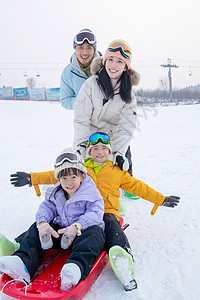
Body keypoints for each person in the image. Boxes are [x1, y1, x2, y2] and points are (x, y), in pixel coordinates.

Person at [1, 133, 180, 291]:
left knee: (110, 227)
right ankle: (19, 249)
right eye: (95, 149)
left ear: (110, 152)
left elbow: (139, 187)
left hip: (105, 211)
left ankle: (121, 257)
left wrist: (160, 199)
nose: (100, 152)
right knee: (46, 224)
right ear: (89, 152)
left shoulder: (117, 172)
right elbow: (53, 175)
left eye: (104, 148)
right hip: (75, 212)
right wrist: (31, 178)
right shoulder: (79, 168)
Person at [0, 148, 105, 292]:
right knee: (35, 228)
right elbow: (47, 208)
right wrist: (42, 224)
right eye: (64, 178)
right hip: (61, 234)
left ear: (82, 176)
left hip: (82, 233)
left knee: (95, 234)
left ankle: (74, 269)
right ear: (59, 179)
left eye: (73, 177)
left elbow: (96, 213)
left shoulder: (91, 192)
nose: (69, 182)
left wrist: (77, 226)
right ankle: (23, 263)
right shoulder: (55, 192)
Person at [73, 39, 140, 177]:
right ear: (105, 61)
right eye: (111, 59)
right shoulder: (91, 84)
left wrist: (119, 153)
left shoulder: (128, 94)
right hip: (89, 140)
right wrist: (81, 144)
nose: (113, 65)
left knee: (107, 180)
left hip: (110, 143)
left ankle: (127, 184)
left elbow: (126, 127)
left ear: (126, 67)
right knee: (85, 178)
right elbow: (81, 117)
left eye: (120, 61)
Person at [60, 28, 101, 110]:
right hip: (83, 119)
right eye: (80, 47)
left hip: (105, 119)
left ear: (94, 49)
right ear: (75, 48)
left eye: (89, 47)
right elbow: (65, 100)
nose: (84, 52)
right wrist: (84, 102)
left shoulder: (105, 67)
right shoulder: (68, 73)